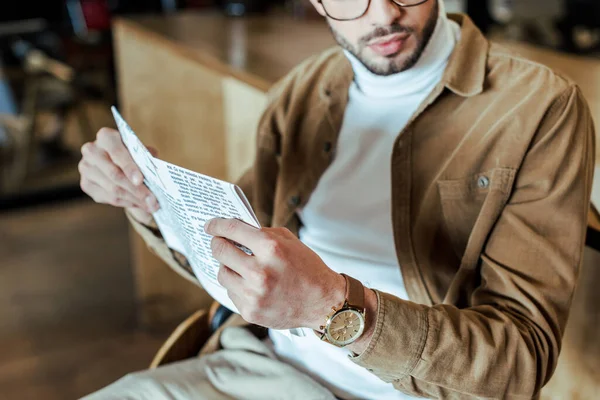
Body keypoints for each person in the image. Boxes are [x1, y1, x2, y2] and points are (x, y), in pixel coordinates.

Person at [78, 0, 596, 398]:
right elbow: (237, 261)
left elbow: (520, 363)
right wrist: (150, 201)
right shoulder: (302, 91)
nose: (386, 13)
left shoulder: (538, 107)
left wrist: (334, 306)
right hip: (261, 368)